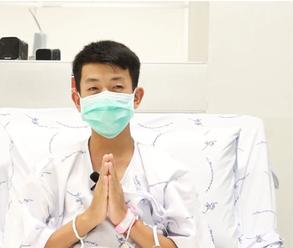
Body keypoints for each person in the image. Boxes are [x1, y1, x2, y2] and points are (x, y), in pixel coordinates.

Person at [4, 40, 200, 247]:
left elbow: (192, 244)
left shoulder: (168, 174)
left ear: (136, 97)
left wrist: (125, 219)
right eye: (94, 88)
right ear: (78, 100)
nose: (105, 97)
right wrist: (88, 218)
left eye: (117, 87)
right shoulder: (49, 174)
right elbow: (22, 242)